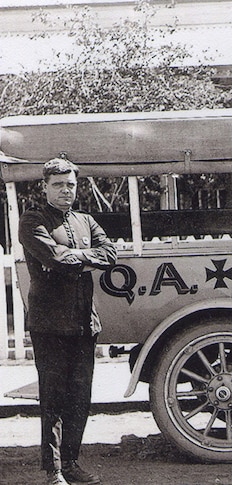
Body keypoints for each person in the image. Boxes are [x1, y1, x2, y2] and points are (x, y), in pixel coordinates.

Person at [19, 159, 117, 485]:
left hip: (84, 323)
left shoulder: (86, 221)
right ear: (44, 187)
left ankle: (72, 463)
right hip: (49, 325)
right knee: (53, 398)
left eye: (71, 184)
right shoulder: (33, 220)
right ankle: (54, 470)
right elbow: (53, 257)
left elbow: (110, 254)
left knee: (80, 397)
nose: (66, 191)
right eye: (58, 184)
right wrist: (83, 259)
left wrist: (77, 258)